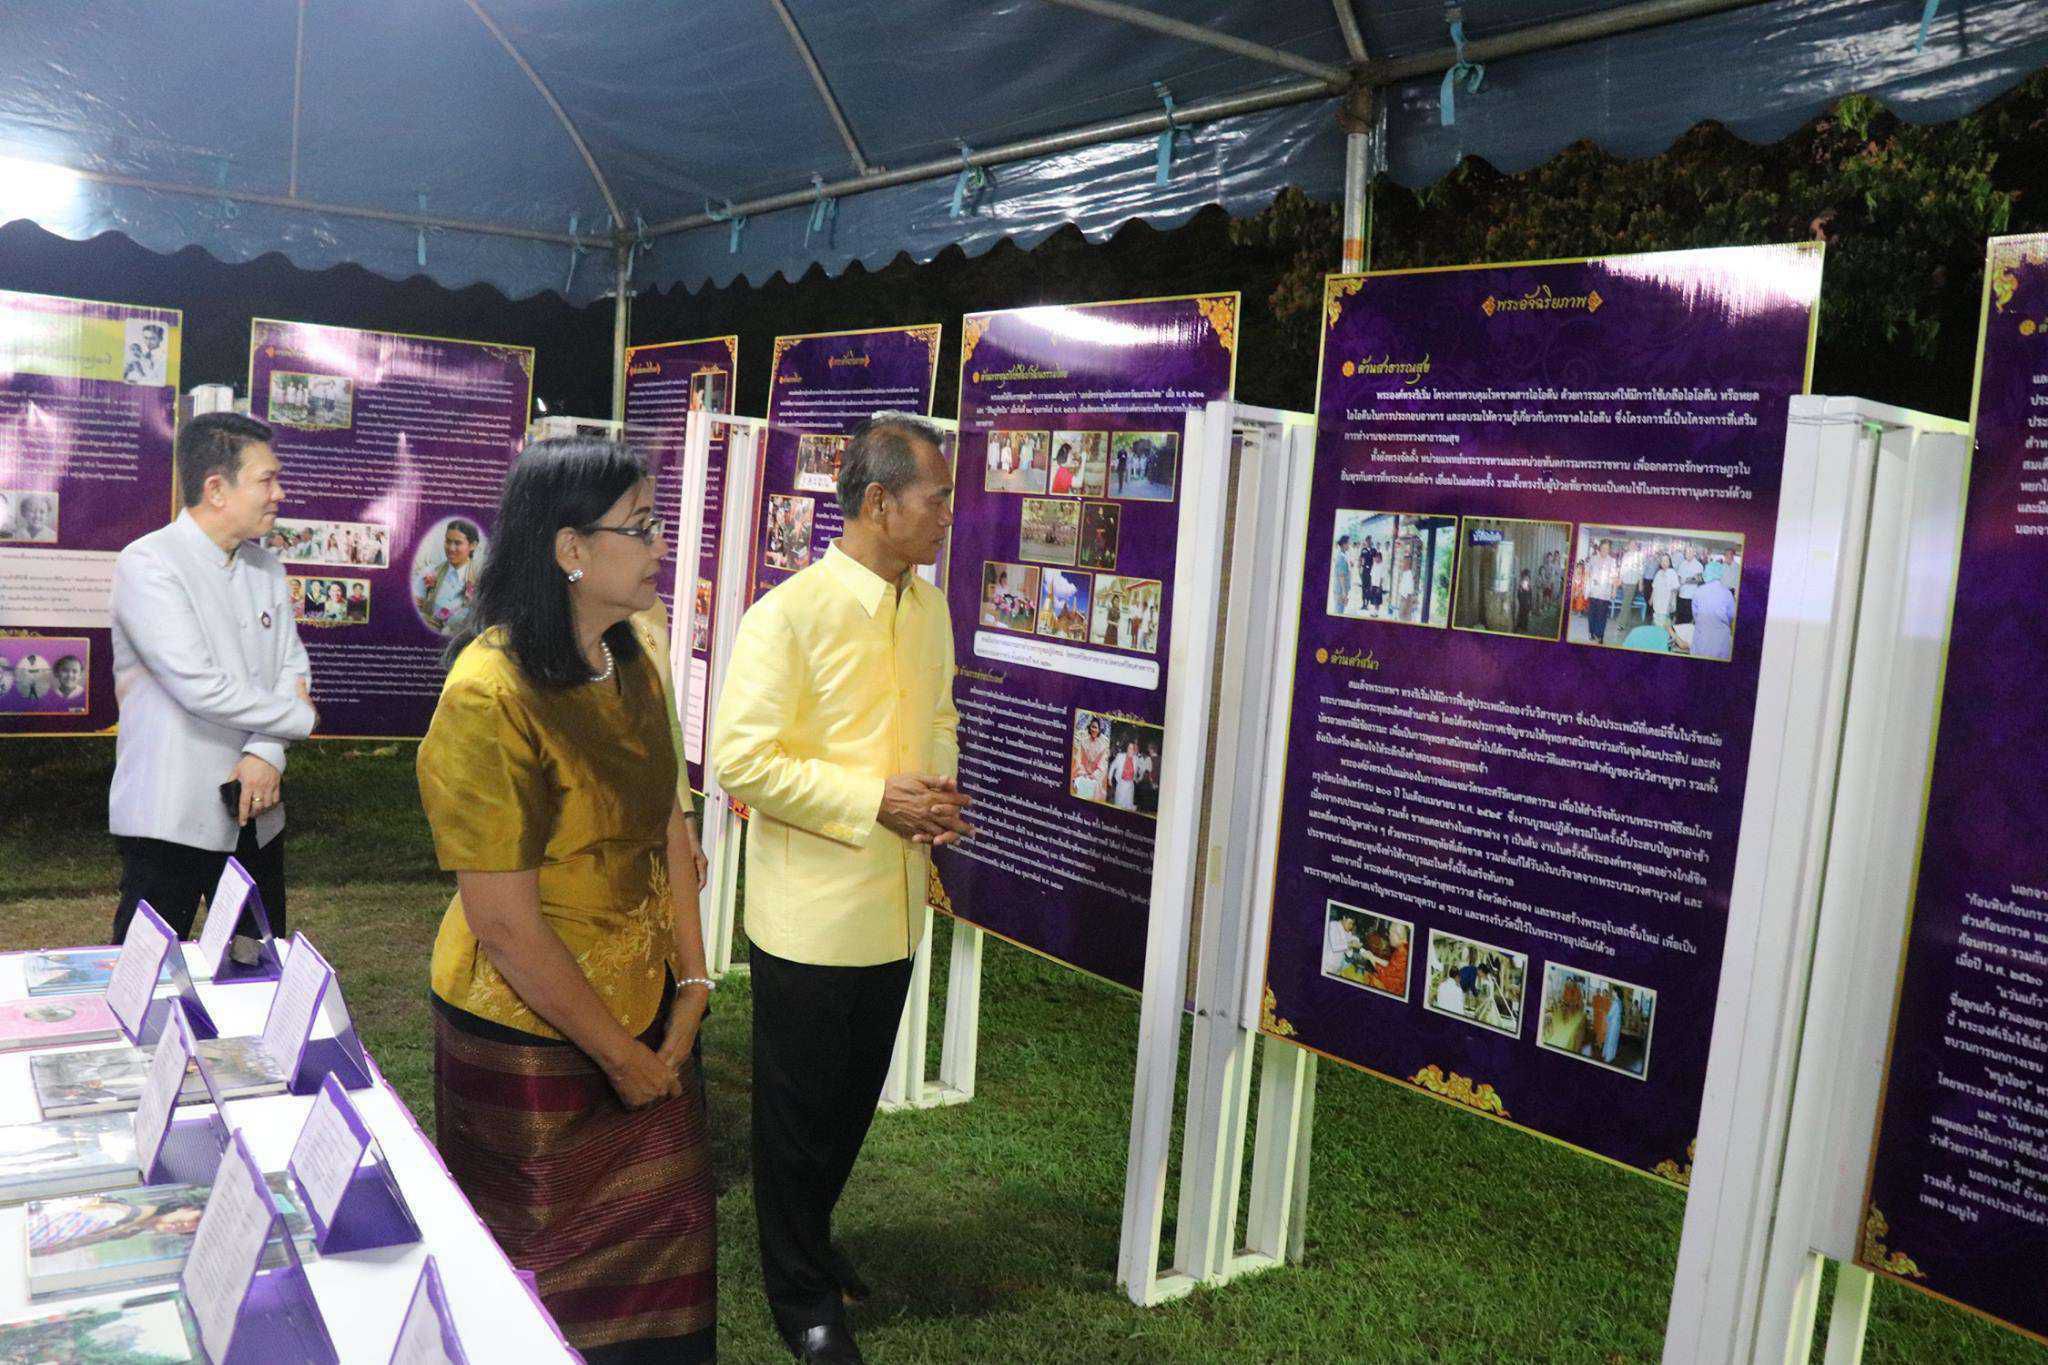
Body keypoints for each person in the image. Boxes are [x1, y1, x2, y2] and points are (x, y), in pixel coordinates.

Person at [418, 437, 715, 1363]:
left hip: (651, 1013)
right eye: (642, 526)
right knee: (541, 1306)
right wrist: (621, 1056)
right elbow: (504, 924)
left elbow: (669, 829)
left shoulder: (631, 660)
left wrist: (694, 981)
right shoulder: (489, 693)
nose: (661, 545)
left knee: (669, 1295)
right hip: (532, 1040)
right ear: (570, 549)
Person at [711, 414, 968, 1365]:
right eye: (938, 496)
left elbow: (939, 713)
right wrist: (875, 799)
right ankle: (801, 1296)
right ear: (879, 503)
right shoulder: (788, 614)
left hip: (894, 908)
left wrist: (935, 794)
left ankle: (809, 1240)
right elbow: (741, 759)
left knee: (852, 1103)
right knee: (797, 1117)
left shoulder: (927, 607)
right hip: (811, 917)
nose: (949, 512)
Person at [108, 413, 313, 947]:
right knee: (148, 973)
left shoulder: (267, 570)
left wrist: (267, 753)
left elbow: (291, 668)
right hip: (170, 814)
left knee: (255, 962)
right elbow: (198, 685)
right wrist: (297, 719)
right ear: (216, 489)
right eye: (267, 479)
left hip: (257, 806)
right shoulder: (149, 563)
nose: (279, 493)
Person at [416, 519, 481, 636]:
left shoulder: (481, 579)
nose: (451, 548)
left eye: (457, 543)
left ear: (473, 545)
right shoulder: (429, 573)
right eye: (448, 541)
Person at [1689, 561, 1737, 661]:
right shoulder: (1727, 593)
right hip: (1721, 639)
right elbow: (1731, 615)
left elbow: (1695, 614)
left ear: (1706, 573)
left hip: (1702, 636)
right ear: (1720, 574)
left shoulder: (1698, 591)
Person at [1584, 539, 1619, 644]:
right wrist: (1586, 587)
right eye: (1603, 548)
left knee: (1602, 615)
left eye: (1607, 549)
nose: (1605, 550)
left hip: (1605, 592)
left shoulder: (1612, 561)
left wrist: (1614, 590)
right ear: (1600, 548)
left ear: (1609, 550)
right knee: (1592, 614)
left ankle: (1600, 635)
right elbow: (1587, 572)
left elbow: (1615, 577)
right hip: (1593, 591)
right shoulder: (1593, 558)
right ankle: (1591, 632)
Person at [1073, 717, 1110, 801]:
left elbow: (1102, 765)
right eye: (1092, 727)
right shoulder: (1083, 742)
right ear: (1089, 727)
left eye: (1096, 728)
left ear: (1099, 730)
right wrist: (1083, 772)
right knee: (1081, 782)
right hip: (1083, 774)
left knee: (1093, 786)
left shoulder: (1103, 746)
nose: (1093, 730)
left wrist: (1094, 775)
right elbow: (1079, 760)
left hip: (1095, 777)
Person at [1109, 739, 1147, 811]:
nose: (1131, 750)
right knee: (1119, 804)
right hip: (1121, 783)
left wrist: (1139, 778)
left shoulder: (1136, 759)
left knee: (1128, 805)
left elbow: (1142, 769)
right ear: (1127, 748)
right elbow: (1112, 766)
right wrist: (1109, 779)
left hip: (1130, 785)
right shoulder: (1120, 756)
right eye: (1130, 748)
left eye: (1133, 749)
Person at [1651, 552, 1680, 628]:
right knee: (1657, 624)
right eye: (1662, 561)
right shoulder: (1658, 573)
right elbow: (1654, 587)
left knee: (1665, 626)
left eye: (1666, 561)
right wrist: (1651, 599)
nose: (1664, 563)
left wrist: (1672, 603)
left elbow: (1676, 589)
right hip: (1657, 604)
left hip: (1666, 605)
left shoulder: (1672, 573)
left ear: (1669, 562)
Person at [1330, 535, 1353, 615]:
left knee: (1340, 610)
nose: (1349, 545)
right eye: (1348, 543)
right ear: (1344, 544)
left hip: (1341, 589)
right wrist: (1344, 592)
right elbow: (1341, 576)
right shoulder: (1341, 557)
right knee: (1339, 611)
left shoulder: (1344, 555)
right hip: (1340, 590)